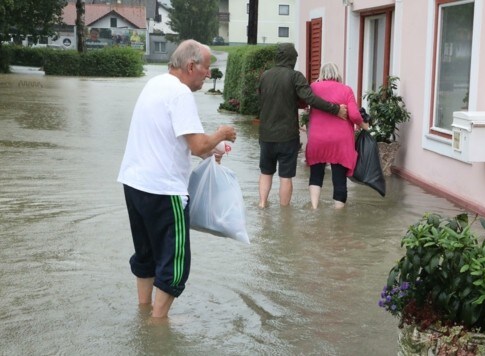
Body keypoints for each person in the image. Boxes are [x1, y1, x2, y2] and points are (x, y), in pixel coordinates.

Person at [117, 39, 237, 319]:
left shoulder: (155, 84)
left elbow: (173, 140)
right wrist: (221, 134)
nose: (209, 74)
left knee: (146, 256)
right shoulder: (181, 94)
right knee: (175, 265)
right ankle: (158, 328)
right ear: (191, 66)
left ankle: (143, 311)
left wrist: (209, 150)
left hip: (134, 184)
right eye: (206, 68)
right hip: (163, 191)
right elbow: (197, 145)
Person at [257, 43, 348, 208]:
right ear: (292, 58)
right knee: (285, 177)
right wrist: (335, 109)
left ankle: (262, 204)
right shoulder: (295, 76)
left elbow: (265, 98)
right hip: (287, 136)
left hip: (266, 135)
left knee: (266, 172)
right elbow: (310, 98)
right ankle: (284, 212)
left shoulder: (265, 76)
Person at [306, 63, 369, 209]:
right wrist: (365, 126)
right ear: (337, 73)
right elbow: (354, 114)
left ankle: (314, 207)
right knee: (339, 177)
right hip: (340, 141)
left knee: (316, 174)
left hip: (317, 139)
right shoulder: (346, 90)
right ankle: (338, 215)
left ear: (321, 74)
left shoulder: (312, 88)